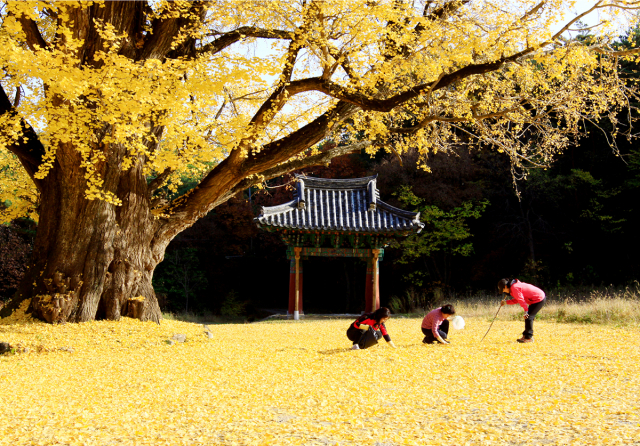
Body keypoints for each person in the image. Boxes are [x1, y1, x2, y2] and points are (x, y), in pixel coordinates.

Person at [498, 278, 546, 343]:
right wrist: (506, 302)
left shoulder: (514, 288)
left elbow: (521, 300)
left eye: (503, 290)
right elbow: (517, 299)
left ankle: (529, 338)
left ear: (506, 287)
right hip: (535, 299)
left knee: (528, 316)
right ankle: (526, 335)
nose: (504, 292)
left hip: (539, 298)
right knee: (528, 317)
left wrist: (526, 310)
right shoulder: (514, 288)